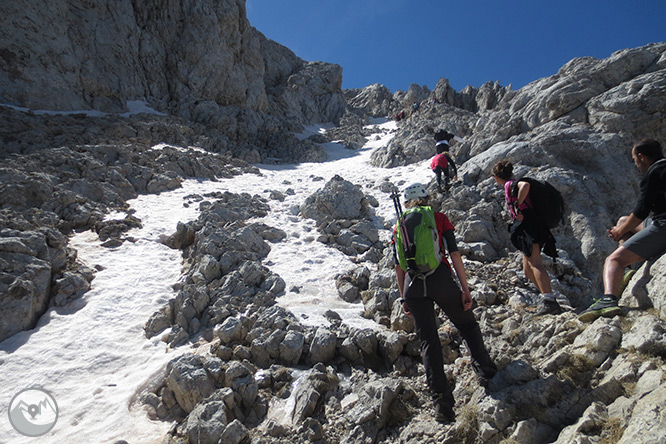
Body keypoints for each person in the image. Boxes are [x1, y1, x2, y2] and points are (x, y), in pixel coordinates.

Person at [393, 183, 497, 423]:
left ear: (408, 203)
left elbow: (398, 266)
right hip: (440, 278)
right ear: (426, 199)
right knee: (467, 325)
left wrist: (403, 297)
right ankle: (486, 372)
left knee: (428, 341)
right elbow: (454, 254)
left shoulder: (400, 226)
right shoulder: (438, 218)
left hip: (412, 286)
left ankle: (442, 405)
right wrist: (464, 288)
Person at [579, 139, 666, 322]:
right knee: (623, 220)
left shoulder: (654, 173)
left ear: (641, 157)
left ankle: (609, 299)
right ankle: (626, 272)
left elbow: (641, 211)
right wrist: (622, 227)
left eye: (635, 159)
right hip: (659, 221)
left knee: (613, 259)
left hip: (663, 227)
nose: (635, 163)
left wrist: (618, 233)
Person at [491, 160, 562, 315]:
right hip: (531, 226)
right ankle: (548, 298)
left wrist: (518, 203)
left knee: (536, 263)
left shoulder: (511, 185)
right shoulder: (509, 185)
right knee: (527, 270)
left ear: (496, 177)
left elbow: (525, 186)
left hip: (529, 226)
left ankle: (549, 301)